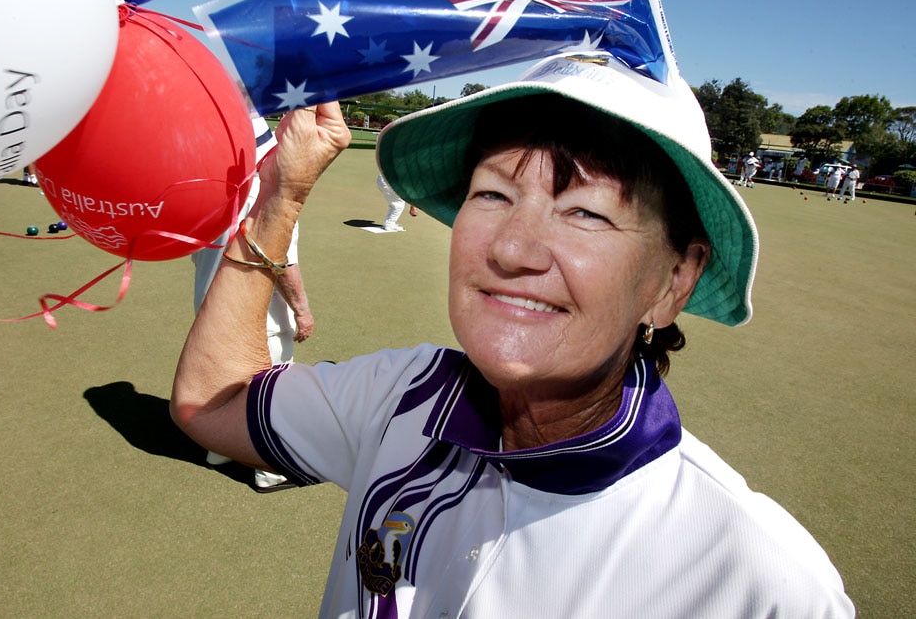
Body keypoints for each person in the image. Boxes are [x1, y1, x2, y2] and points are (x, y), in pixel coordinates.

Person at [172, 53, 854, 617]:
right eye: (493, 195)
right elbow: (213, 400)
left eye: (587, 212)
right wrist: (279, 201)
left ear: (674, 279)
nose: (514, 250)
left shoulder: (757, 580)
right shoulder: (400, 397)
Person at [190, 115, 314, 493]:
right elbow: (282, 262)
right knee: (268, 386)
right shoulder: (269, 191)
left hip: (210, 305)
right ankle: (270, 468)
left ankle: (219, 450)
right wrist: (303, 311)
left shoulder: (203, 181)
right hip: (258, 314)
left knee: (224, 381)